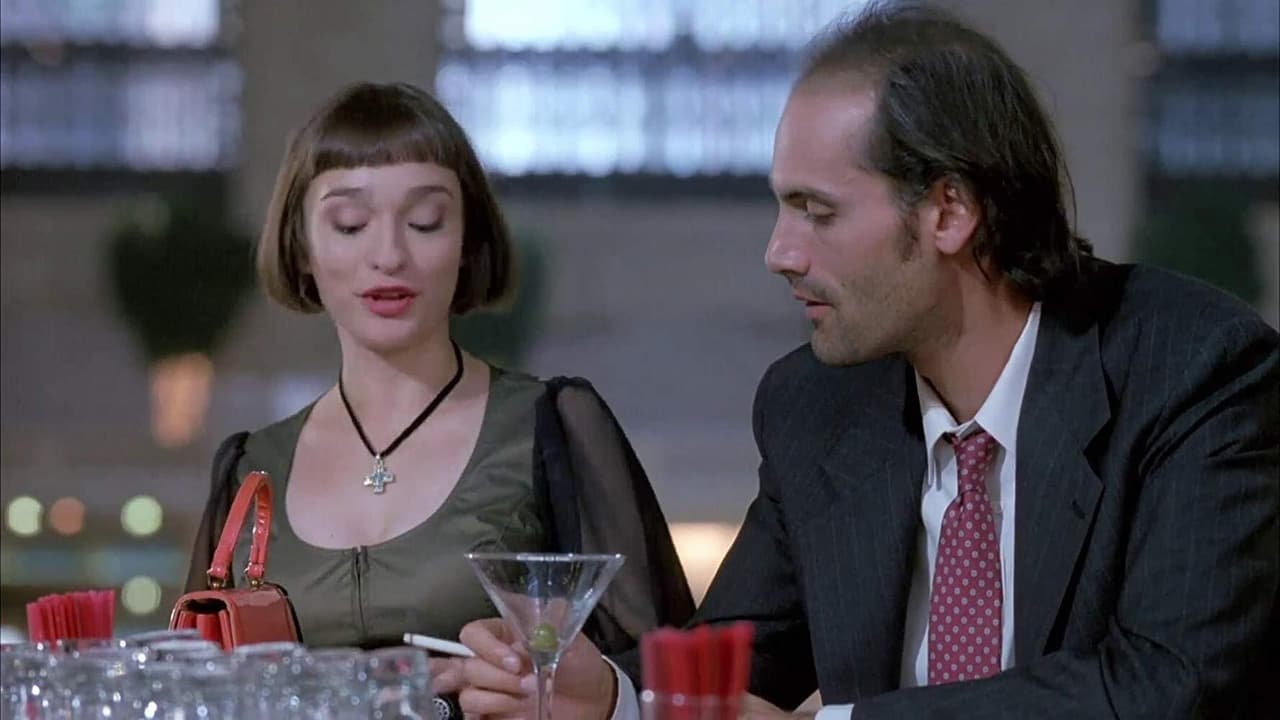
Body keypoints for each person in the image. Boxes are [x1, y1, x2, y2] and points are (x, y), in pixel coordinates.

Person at [455, 3, 1279, 718]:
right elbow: (737, 664)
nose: (779, 253)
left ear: (949, 211)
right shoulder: (815, 403)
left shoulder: (1194, 370)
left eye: (816, 212)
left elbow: (1164, 688)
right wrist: (608, 697)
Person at [183, 82, 694, 697]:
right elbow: (191, 685)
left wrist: (563, 691)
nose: (389, 255)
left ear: (468, 243)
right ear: (302, 248)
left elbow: (669, 677)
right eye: (350, 224)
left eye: (425, 222)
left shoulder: (550, 426)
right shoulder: (251, 469)